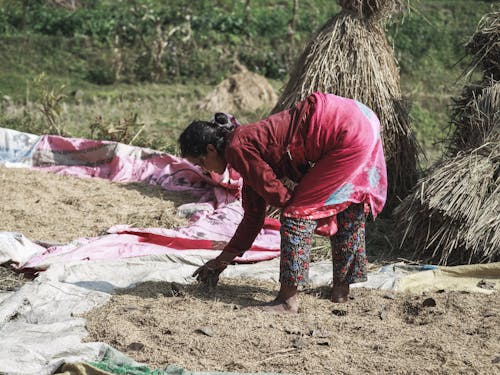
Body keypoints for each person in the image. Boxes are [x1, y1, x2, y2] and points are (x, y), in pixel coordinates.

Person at [178, 92, 387, 313]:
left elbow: (277, 195)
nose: (205, 170)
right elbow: (253, 216)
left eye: (202, 162)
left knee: (296, 215)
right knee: (347, 205)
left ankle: (287, 300)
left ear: (211, 149)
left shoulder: (236, 148)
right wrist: (220, 262)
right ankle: (340, 292)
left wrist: (305, 212)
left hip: (343, 128)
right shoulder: (245, 144)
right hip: (362, 119)